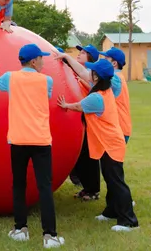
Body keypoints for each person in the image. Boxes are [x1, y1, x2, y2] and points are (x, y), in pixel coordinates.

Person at [0, 44, 65, 249]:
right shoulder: (47, 80)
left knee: (19, 185)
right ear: (34, 61)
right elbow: (43, 97)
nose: (44, 62)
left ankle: (20, 230)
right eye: (41, 59)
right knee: (44, 187)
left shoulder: (10, 77)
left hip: (18, 140)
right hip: (41, 140)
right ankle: (50, 236)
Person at [57, 59, 139, 232]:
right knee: (110, 179)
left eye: (92, 71)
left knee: (117, 182)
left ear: (97, 76)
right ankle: (111, 211)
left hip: (111, 145)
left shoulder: (97, 97)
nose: (89, 72)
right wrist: (67, 57)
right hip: (107, 144)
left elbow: (79, 106)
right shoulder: (105, 89)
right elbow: (83, 73)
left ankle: (129, 220)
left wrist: (65, 105)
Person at [65, 44, 103, 202]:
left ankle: (93, 189)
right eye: (80, 51)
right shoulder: (72, 71)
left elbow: (92, 95)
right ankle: (86, 187)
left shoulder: (92, 76)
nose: (79, 54)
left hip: (89, 122)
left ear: (90, 59)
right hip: (76, 120)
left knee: (88, 156)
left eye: (83, 53)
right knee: (79, 156)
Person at [100, 47, 132, 143]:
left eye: (106, 59)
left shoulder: (114, 78)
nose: (103, 61)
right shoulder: (117, 76)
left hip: (119, 129)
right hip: (119, 128)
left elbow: (89, 77)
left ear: (114, 63)